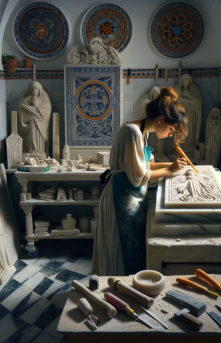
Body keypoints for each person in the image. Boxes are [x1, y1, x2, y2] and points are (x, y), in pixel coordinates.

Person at [91, 87, 188, 276]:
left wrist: (173, 165)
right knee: (118, 252)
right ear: (160, 119)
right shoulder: (131, 132)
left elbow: (147, 166)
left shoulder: (143, 132)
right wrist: (170, 169)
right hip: (119, 199)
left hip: (130, 199)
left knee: (132, 252)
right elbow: (140, 176)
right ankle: (114, 293)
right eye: (171, 128)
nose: (170, 134)